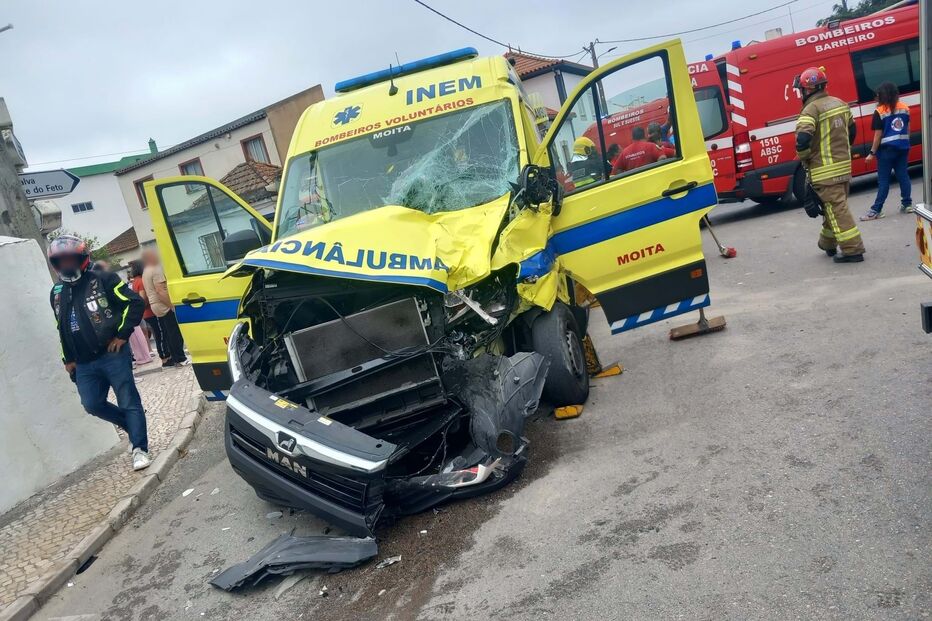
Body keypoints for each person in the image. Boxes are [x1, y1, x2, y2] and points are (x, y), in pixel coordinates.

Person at [47, 235, 151, 471]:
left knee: (128, 399)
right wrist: (68, 359)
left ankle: (139, 448)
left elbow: (133, 303)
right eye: (60, 260)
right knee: (91, 404)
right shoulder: (56, 291)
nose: (66, 264)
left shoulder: (103, 278)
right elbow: (61, 326)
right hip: (83, 363)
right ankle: (131, 423)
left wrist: (122, 335)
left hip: (112, 354)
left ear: (82, 258)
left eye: (70, 258)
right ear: (55, 263)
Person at [794, 66, 865, 263]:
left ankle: (853, 249)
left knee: (836, 209)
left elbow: (802, 139)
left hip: (824, 171)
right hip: (843, 167)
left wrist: (805, 157)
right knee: (832, 208)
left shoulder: (810, 109)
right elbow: (851, 132)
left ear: (807, 90)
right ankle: (827, 243)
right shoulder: (841, 104)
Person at [860, 82, 914, 220]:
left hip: (886, 151)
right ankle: (907, 204)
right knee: (903, 176)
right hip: (903, 148)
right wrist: (907, 143)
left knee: (883, 181)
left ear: (883, 95)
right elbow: (907, 129)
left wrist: (871, 153)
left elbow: (878, 135)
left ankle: (877, 209)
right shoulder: (905, 108)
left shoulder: (880, 111)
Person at [141, 247, 189, 367]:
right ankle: (180, 358)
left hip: (154, 305)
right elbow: (160, 291)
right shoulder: (156, 270)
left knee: (167, 333)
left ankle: (174, 358)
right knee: (174, 332)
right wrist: (171, 305)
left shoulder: (145, 271)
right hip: (163, 304)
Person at [130, 260, 166, 364]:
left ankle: (160, 354)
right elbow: (142, 298)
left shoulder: (135, 281)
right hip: (149, 311)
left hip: (145, 313)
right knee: (160, 334)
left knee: (156, 333)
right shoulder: (141, 281)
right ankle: (164, 356)